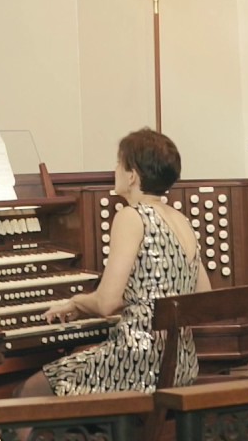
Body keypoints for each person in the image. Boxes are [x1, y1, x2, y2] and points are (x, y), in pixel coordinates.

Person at [15, 128, 210, 397]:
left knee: (30, 390)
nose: (114, 169)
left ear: (132, 175)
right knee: (78, 357)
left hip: (138, 364)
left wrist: (75, 302)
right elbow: (202, 297)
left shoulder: (132, 217)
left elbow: (106, 303)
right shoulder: (181, 220)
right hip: (180, 363)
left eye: (118, 163)